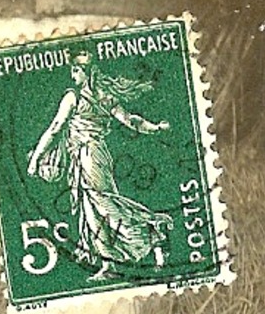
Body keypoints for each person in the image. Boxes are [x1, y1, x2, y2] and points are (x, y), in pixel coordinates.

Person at [27, 51, 173, 281]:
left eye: (75, 70)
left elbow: (55, 127)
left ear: (85, 72)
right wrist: (154, 127)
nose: (72, 74)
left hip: (88, 155)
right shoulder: (105, 96)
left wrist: (36, 158)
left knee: (101, 204)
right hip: (98, 154)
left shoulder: (72, 97)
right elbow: (131, 120)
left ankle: (151, 227)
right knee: (94, 208)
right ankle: (110, 262)